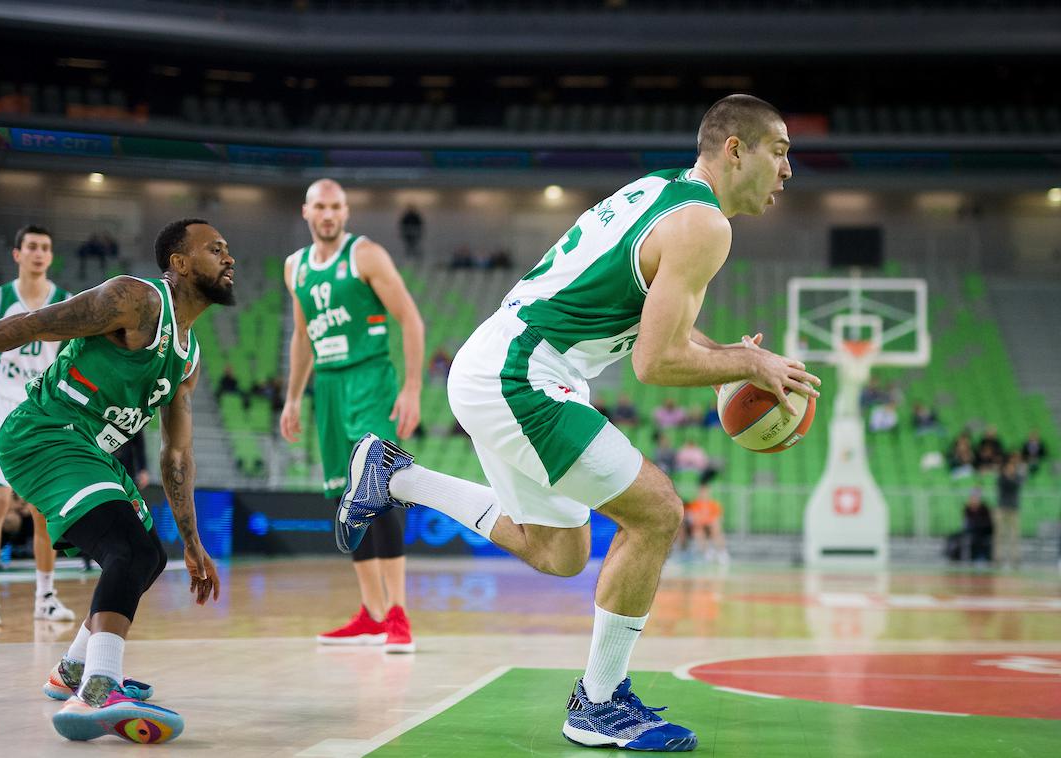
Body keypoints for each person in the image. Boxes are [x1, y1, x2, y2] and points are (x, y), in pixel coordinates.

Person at [333, 95, 817, 751]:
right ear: (736, 149)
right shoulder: (706, 226)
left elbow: (662, 320)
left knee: (561, 553)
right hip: (522, 373)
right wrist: (745, 362)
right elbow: (654, 362)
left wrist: (731, 356)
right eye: (780, 151)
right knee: (658, 511)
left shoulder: (665, 192)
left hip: (502, 362)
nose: (788, 170)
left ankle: (396, 476)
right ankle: (597, 702)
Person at [0, 217, 229, 743]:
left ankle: (70, 673)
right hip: (45, 432)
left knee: (150, 556)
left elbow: (177, 455)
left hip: (89, 448)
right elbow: (33, 324)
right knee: (125, 550)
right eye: (215, 249)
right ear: (178, 264)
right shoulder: (134, 299)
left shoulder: (189, 356)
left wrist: (193, 541)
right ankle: (99, 691)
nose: (229, 257)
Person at [280, 179, 424, 654]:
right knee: (344, 499)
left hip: (370, 380)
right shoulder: (295, 267)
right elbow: (302, 336)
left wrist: (411, 388)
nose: (328, 214)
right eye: (320, 206)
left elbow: (410, 319)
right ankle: (372, 614)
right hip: (329, 386)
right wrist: (294, 397)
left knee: (377, 490)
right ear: (306, 211)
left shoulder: (365, 255)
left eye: (336, 207)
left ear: (345, 212)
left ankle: (399, 613)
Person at [0, 225, 76, 626]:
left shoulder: (65, 303)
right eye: (32, 247)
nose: (39, 253)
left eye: (46, 248)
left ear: (51, 256)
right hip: (0, 408)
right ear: (17, 253)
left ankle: (46, 596)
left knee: (42, 509)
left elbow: (69, 366)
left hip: (41, 412)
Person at [995, 453, 1027, 570]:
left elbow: (1020, 484)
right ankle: (998, 559)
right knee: (1000, 535)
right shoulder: (1001, 478)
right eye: (1008, 468)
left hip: (1014, 509)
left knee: (1014, 535)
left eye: (1012, 468)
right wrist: (1009, 477)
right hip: (1002, 508)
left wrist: (1021, 472)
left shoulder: (1017, 478)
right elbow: (1006, 485)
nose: (1010, 469)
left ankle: (1015, 559)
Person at [686, 484, 728, 564]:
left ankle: (722, 552)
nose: (703, 494)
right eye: (702, 492)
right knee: (698, 531)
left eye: (705, 492)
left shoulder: (714, 505)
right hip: (699, 527)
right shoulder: (694, 505)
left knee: (715, 526)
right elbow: (692, 519)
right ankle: (707, 552)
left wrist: (707, 521)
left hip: (711, 527)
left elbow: (718, 519)